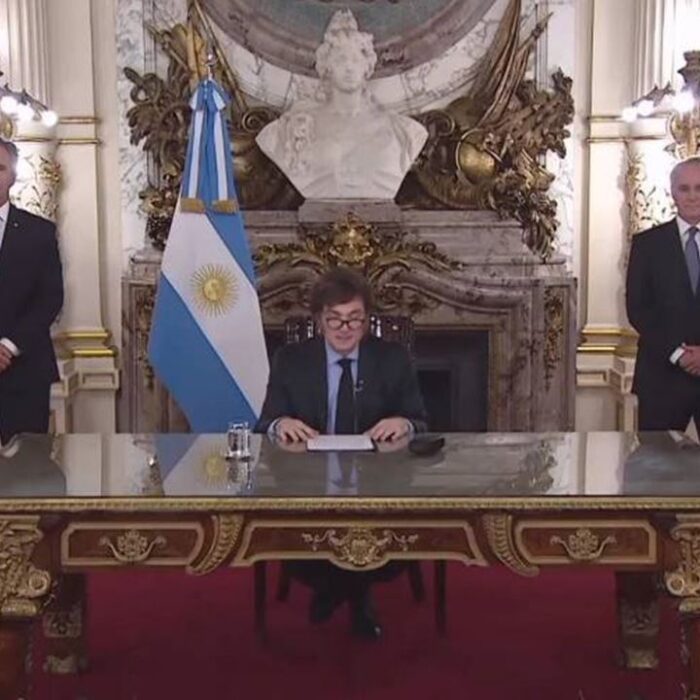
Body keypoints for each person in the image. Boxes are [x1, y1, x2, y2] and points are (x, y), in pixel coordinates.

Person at [255, 266, 427, 639]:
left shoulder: (392, 358)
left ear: (367, 320)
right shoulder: (291, 359)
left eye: (354, 319)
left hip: (378, 484)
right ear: (319, 320)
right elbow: (265, 423)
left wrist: (403, 423)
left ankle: (336, 592)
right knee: (299, 536)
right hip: (307, 484)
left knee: (381, 534)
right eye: (335, 319)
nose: (345, 328)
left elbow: (420, 421)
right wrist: (281, 424)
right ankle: (356, 597)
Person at [256, 9, 427, 200]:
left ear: (367, 66)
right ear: (327, 67)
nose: (349, 67)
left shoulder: (403, 130)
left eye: (355, 60)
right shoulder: (294, 128)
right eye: (340, 60)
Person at [626, 156, 700, 431]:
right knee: (656, 458)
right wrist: (679, 354)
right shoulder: (647, 244)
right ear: (673, 193)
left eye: (699, 188)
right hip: (661, 379)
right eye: (684, 188)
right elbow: (638, 309)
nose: (692, 196)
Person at [0, 139, 63, 445]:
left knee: (28, 468)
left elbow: (50, 298)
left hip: (25, 374)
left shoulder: (39, 231)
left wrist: (8, 347)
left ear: (13, 175)